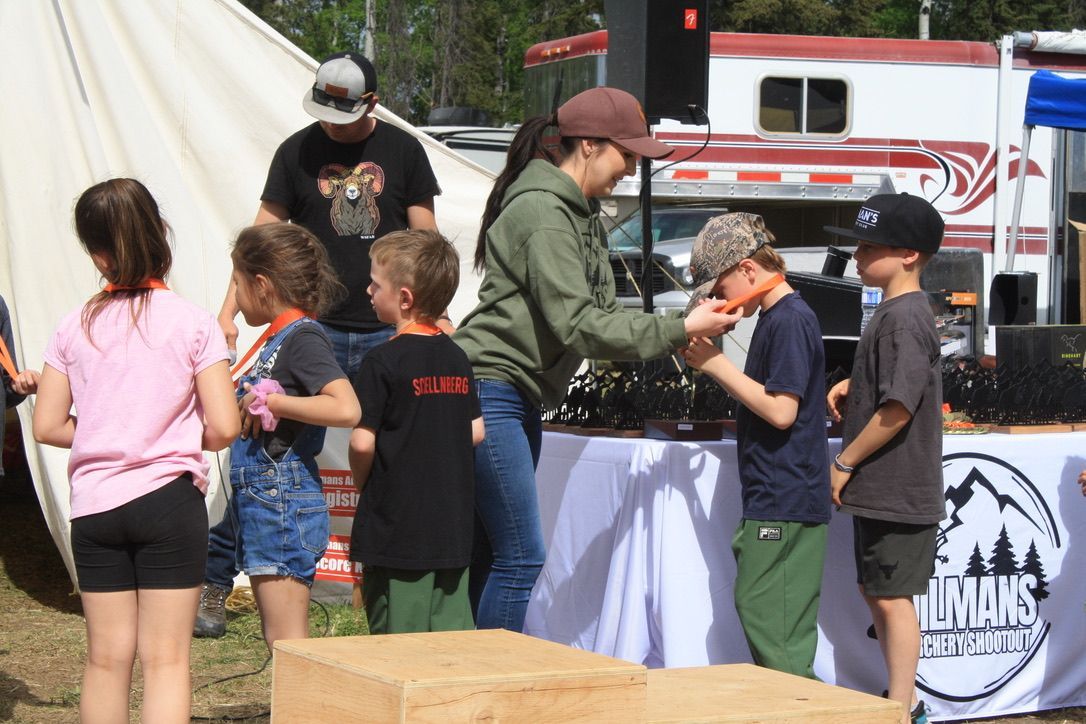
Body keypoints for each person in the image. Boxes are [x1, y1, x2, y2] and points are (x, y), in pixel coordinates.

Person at [452, 86, 743, 632]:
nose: (631, 169)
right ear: (588, 145)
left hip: (514, 393)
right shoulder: (542, 210)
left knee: (493, 554)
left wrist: (687, 321)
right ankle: (494, 690)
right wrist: (680, 327)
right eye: (627, 154)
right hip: (492, 388)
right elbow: (581, 327)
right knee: (520, 557)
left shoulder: (580, 211)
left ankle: (472, 685)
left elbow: (603, 316)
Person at [198, 50, 442, 638]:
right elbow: (259, 240)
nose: (331, 124)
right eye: (323, 110)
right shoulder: (297, 151)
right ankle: (214, 581)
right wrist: (227, 314)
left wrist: (433, 316)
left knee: (392, 448)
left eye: (344, 113)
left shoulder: (405, 151)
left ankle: (384, 576)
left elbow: (426, 242)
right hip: (314, 325)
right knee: (263, 450)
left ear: (373, 103)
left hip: (390, 327)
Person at [31, 178, 239, 724]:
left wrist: (108, 432)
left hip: (97, 507)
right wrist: (163, 435)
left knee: (105, 660)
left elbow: (48, 424)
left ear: (95, 252)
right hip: (169, 503)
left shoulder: (73, 325)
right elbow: (223, 425)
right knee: (166, 660)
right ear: (160, 232)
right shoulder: (194, 323)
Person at [682, 213, 830, 678]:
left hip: (786, 497)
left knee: (771, 619)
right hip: (775, 494)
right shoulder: (775, 317)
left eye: (719, 286)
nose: (716, 298)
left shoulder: (789, 320)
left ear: (748, 270)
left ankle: (806, 711)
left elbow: (782, 410)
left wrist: (714, 366)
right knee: (767, 615)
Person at [824, 193, 946, 724]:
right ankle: (898, 701)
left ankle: (903, 707)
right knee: (877, 590)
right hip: (884, 487)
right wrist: (859, 382)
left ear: (909, 255)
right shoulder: (896, 313)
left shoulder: (904, 317)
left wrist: (845, 461)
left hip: (896, 486)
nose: (857, 253)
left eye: (870, 245)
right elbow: (897, 386)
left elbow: (898, 410)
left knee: (893, 599)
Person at [226, 223, 360, 652]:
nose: (234, 294)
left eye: (236, 282)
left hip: (282, 501)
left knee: (287, 643)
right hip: (267, 500)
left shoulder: (302, 338)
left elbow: (346, 407)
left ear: (262, 285)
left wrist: (279, 404)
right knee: (279, 640)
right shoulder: (277, 341)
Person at [348, 229, 484, 634]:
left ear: (404, 298)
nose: (368, 290)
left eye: (375, 284)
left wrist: (364, 484)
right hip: (452, 530)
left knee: (397, 646)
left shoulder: (381, 361)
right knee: (448, 644)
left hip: (397, 533)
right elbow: (476, 432)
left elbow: (360, 440)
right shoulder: (458, 356)